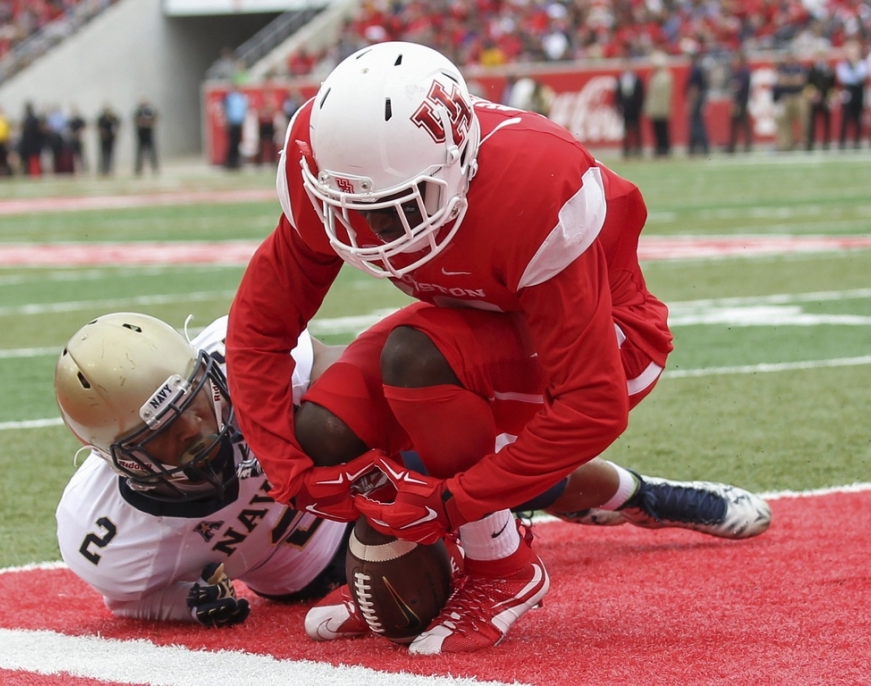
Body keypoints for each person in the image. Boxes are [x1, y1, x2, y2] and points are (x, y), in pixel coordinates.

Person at [224, 42, 771, 655]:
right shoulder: (328, 163)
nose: (368, 231)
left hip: (612, 341)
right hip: (468, 329)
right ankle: (437, 563)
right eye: (349, 207)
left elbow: (592, 404)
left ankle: (502, 569)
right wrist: (289, 472)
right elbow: (258, 329)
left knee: (419, 368)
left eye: (393, 207)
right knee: (322, 431)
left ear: (459, 165)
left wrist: (452, 504)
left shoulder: (535, 184)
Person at [56, 310, 771, 640]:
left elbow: (354, 395)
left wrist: (409, 477)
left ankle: (644, 497)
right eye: (168, 437)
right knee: (411, 607)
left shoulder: (242, 360)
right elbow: (137, 601)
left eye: (196, 407)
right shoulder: (106, 538)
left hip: (347, 482)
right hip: (310, 566)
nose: (201, 434)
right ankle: (482, 542)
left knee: (486, 459)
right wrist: (197, 608)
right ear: (117, 458)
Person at [54, 312, 353, 628]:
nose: (194, 427)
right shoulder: (104, 536)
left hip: (361, 482)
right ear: (123, 461)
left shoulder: (240, 354)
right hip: (311, 570)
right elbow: (130, 601)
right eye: (164, 432)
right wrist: (189, 603)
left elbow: (339, 362)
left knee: (331, 413)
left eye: (192, 399)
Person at [836, 41, 868, 150]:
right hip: (848, 91)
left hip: (859, 91)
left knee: (858, 117)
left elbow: (862, 75)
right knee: (846, 117)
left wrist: (854, 68)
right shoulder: (843, 65)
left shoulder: (862, 63)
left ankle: (857, 141)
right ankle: (842, 141)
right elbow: (844, 78)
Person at [774, 49, 808, 152]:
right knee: (784, 122)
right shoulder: (782, 69)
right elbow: (781, 81)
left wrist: (788, 80)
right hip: (786, 98)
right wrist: (793, 80)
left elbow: (801, 81)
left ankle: (805, 143)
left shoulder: (800, 68)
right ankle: (786, 144)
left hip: (798, 97)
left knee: (804, 121)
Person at [644, 51, 674, 158]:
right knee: (657, 130)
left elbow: (662, 95)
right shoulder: (655, 76)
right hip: (655, 107)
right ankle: (659, 148)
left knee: (663, 130)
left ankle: (664, 148)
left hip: (661, 107)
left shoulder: (664, 76)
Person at [805, 49, 835, 151]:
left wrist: (830, 98)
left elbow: (833, 86)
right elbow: (808, 85)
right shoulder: (812, 70)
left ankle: (826, 142)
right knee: (811, 122)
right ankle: (810, 143)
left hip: (825, 99)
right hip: (814, 99)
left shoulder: (829, 70)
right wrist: (813, 95)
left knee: (827, 122)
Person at [615, 59, 645, 158]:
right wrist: (618, 106)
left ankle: (638, 149)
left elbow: (641, 94)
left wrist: (640, 106)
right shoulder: (620, 79)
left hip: (634, 107)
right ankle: (626, 149)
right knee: (626, 130)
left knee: (636, 129)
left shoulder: (637, 79)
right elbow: (617, 95)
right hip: (625, 108)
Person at [726, 51, 753, 153]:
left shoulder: (744, 72)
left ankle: (741, 145)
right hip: (738, 100)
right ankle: (734, 145)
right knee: (737, 124)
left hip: (741, 101)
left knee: (741, 123)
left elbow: (739, 87)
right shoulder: (738, 72)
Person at [685, 51, 710, 156]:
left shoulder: (695, 70)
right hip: (700, 98)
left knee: (696, 124)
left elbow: (694, 88)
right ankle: (696, 146)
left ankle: (701, 146)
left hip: (697, 99)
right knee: (696, 123)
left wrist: (691, 102)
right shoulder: (699, 69)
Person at [223, 84, 249, 170]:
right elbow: (225, 110)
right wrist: (227, 121)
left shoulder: (241, 98)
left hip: (238, 122)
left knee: (237, 143)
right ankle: (230, 161)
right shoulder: (229, 98)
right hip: (232, 122)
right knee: (232, 143)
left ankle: (235, 161)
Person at [133, 96, 159, 175]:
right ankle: (138, 169)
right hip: (141, 134)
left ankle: (154, 168)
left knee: (152, 151)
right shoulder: (138, 110)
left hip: (149, 134)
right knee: (139, 152)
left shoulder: (150, 109)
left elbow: (156, 118)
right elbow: (135, 120)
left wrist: (150, 124)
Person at [96, 104, 120, 176]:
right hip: (103, 139)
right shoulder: (101, 118)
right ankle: (103, 169)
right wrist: (102, 133)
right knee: (103, 154)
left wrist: (115, 133)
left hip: (111, 139)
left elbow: (117, 126)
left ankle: (110, 169)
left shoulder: (113, 117)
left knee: (111, 154)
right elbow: (98, 127)